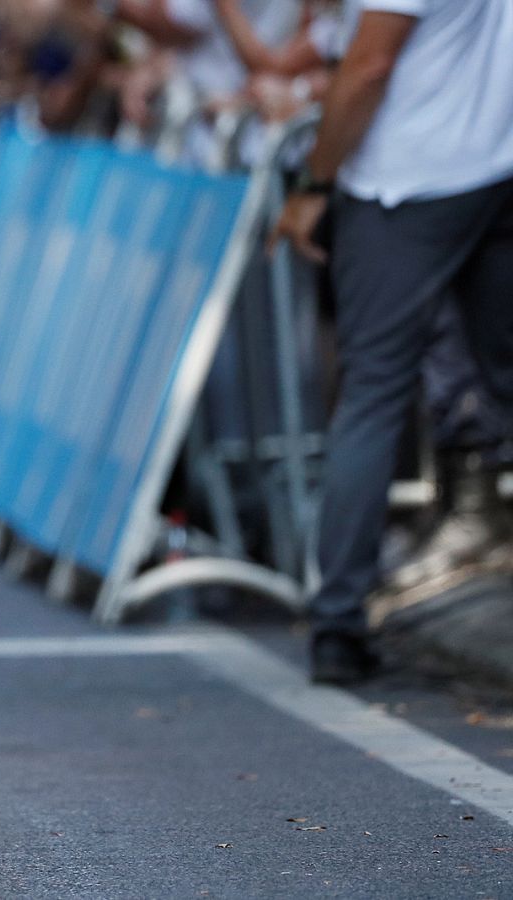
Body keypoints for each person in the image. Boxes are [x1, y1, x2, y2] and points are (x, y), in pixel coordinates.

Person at [272, 0, 513, 683]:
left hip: (405, 180)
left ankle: (339, 623)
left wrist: (314, 181)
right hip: (495, 164)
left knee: (373, 392)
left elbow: (370, 64)